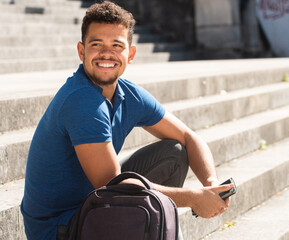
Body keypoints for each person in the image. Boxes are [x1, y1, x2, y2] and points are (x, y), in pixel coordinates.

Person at [20, 1, 234, 239]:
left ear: (130, 54)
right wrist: (194, 199)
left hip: (94, 205)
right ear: (81, 51)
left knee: (173, 152)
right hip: (61, 228)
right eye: (96, 44)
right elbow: (112, 184)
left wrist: (210, 185)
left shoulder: (128, 94)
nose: (106, 53)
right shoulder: (82, 100)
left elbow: (188, 137)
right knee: (127, 183)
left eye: (116, 45)